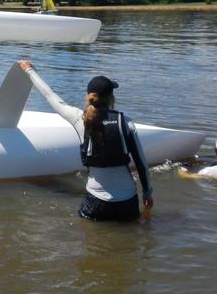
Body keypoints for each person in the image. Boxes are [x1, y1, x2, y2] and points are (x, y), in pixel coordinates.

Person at [18, 61, 153, 222]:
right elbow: (142, 164)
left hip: (96, 203)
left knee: (92, 242)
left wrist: (29, 70)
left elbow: (50, 96)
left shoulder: (79, 119)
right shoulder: (126, 122)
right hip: (127, 202)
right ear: (111, 97)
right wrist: (147, 193)